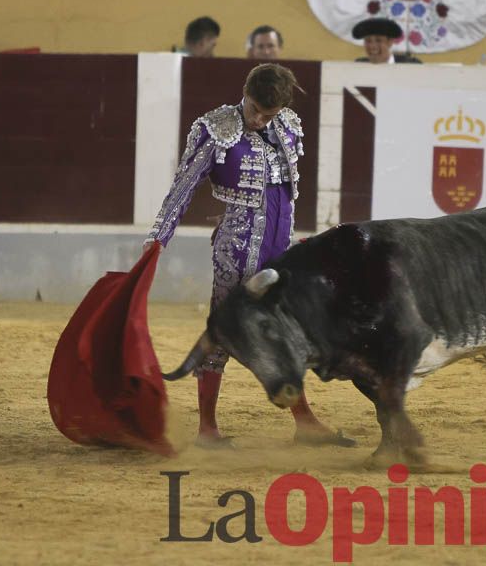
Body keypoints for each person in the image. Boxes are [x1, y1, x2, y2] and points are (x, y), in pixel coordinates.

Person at [143, 63, 353, 448]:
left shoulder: (288, 126)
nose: (258, 119)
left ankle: (304, 421)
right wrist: (158, 237)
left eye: (267, 114)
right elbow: (183, 187)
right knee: (223, 332)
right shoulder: (216, 129)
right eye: (255, 108)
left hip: (280, 251)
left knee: (286, 332)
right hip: (237, 250)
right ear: (245, 92)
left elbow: (283, 194)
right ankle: (207, 430)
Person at [353, 18, 421, 64]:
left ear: (390, 42)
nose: (372, 46)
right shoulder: (358, 66)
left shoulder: (410, 65)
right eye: (368, 41)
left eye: (378, 40)